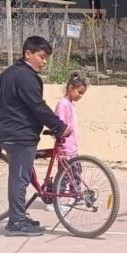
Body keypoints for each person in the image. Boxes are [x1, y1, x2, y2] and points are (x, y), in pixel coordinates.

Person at [0, 36, 70, 237]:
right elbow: (37, 106)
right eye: (41, 56)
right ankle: (16, 222)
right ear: (28, 53)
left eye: (46, 58)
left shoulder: (13, 71)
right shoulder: (26, 76)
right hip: (19, 134)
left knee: (21, 174)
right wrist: (59, 127)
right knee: (20, 177)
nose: (44, 61)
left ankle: (20, 216)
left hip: (13, 131)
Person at [46, 72, 88, 211]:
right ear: (70, 88)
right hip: (65, 148)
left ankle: (75, 196)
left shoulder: (70, 104)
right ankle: (55, 201)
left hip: (72, 148)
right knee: (64, 175)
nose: (80, 96)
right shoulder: (63, 104)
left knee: (76, 172)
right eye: (79, 92)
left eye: (82, 94)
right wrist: (63, 143)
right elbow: (61, 125)